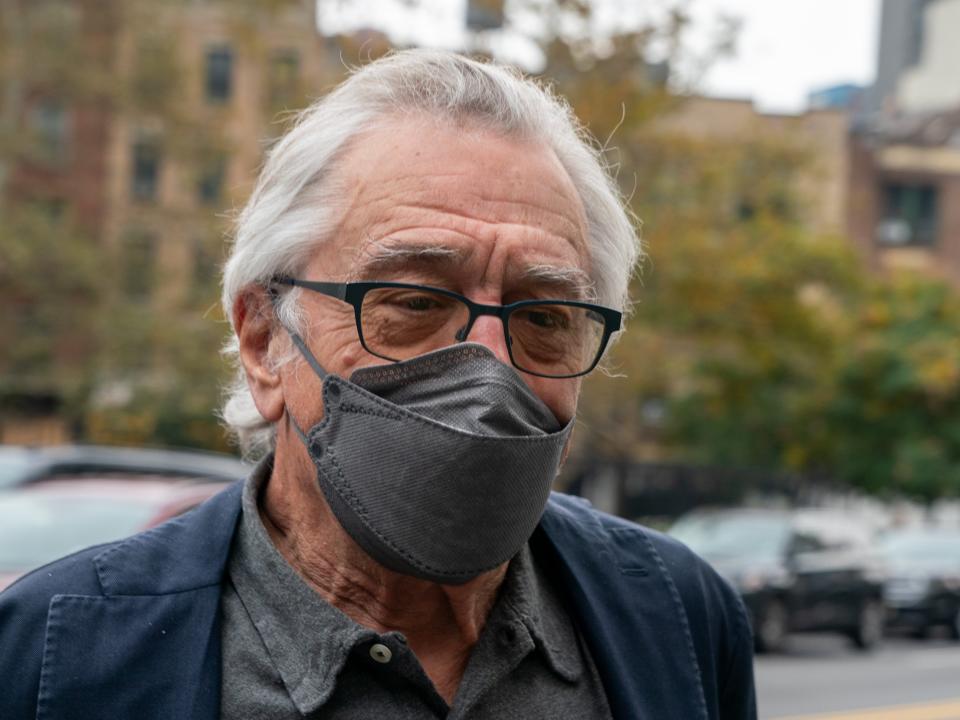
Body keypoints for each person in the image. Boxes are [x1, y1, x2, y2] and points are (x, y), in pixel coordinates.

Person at [0, 50, 756, 719]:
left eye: (545, 315)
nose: (490, 365)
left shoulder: (679, 617)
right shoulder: (48, 659)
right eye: (416, 302)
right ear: (264, 339)